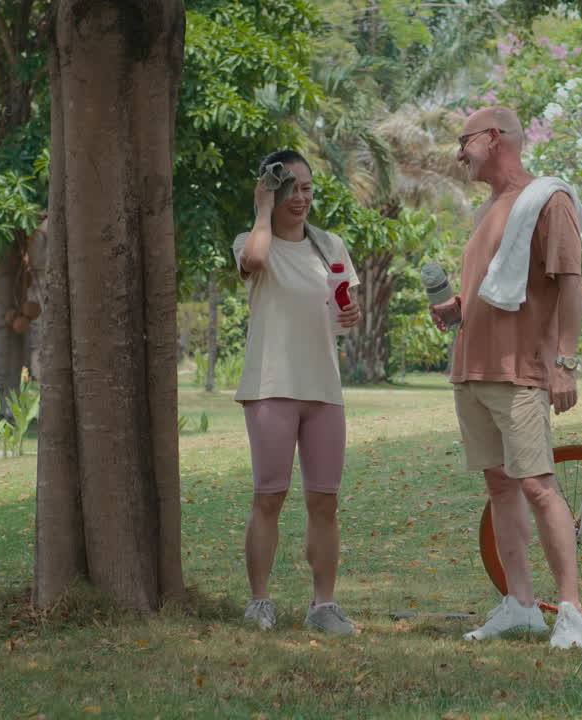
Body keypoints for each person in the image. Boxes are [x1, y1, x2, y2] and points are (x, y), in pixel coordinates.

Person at [430, 107, 582, 649]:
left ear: (493, 137)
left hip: (522, 370)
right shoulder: (487, 211)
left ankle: (570, 611)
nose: (459, 152)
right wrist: (457, 307)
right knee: (499, 486)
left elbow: (570, 283)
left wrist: (566, 362)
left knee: (537, 486)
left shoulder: (548, 200)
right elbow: (493, 288)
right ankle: (522, 606)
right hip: (472, 368)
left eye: (464, 140)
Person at [233, 150, 362, 634]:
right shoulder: (251, 240)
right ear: (272, 190)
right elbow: (257, 260)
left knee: (324, 500)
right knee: (270, 495)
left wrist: (352, 315)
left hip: (323, 388)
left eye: (308, 188)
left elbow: (345, 305)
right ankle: (259, 601)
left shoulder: (331, 245)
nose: (302, 197)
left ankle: (323, 605)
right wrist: (262, 208)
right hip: (271, 387)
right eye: (291, 188)